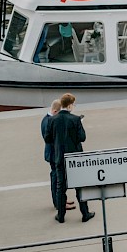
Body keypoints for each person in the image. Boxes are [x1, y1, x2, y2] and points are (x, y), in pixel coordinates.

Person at [44, 93, 94, 224]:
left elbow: (47, 138)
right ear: (70, 105)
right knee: (79, 186)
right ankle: (85, 213)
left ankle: (61, 215)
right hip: (75, 158)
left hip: (59, 157)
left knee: (61, 187)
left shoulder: (52, 120)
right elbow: (82, 137)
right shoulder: (75, 119)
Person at [41, 99, 73, 213]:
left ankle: (61, 200)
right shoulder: (49, 121)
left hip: (52, 153)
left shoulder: (46, 119)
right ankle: (58, 203)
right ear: (55, 111)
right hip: (54, 154)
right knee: (57, 179)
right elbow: (51, 139)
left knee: (56, 177)